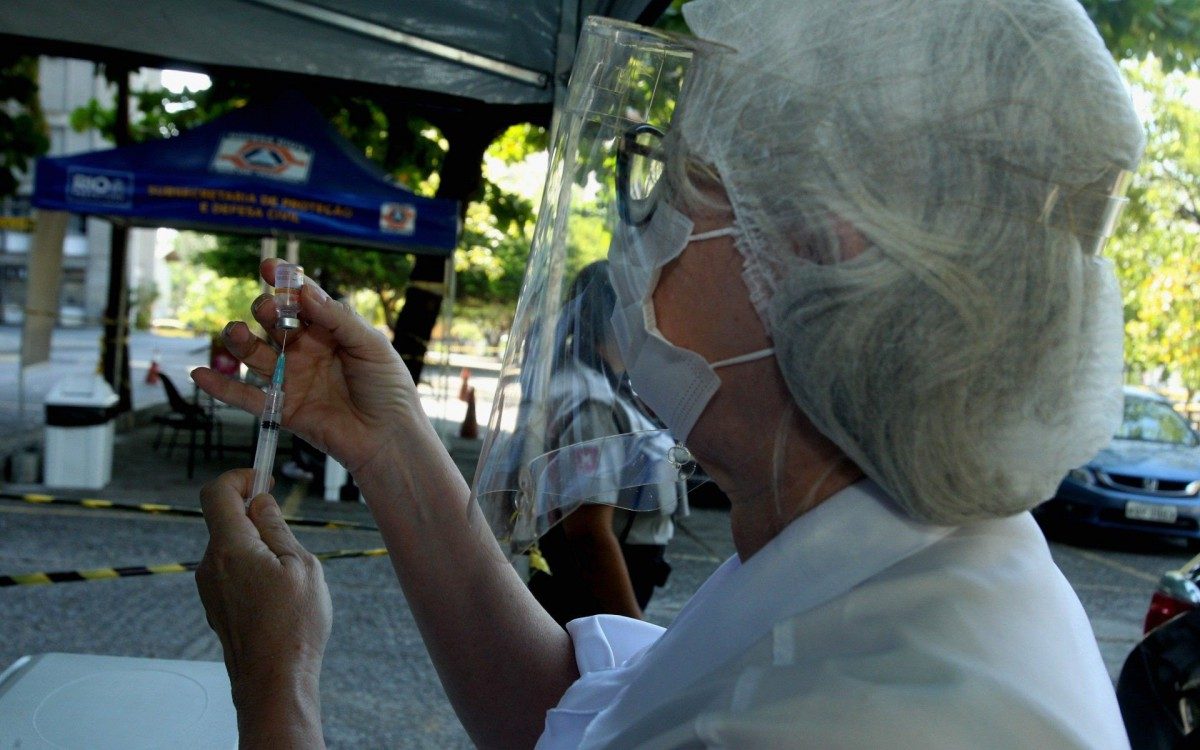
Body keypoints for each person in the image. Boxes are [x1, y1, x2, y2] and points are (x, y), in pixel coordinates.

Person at [192, 1, 1144, 747]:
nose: (633, 237)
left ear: (819, 257)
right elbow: (577, 720)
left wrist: (274, 681)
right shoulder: (868, 557)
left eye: (678, 185)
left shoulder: (891, 715)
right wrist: (391, 442)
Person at [524, 260, 682, 624]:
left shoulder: (601, 386)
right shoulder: (593, 401)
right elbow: (587, 531)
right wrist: (632, 623)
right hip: (593, 595)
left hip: (596, 585)